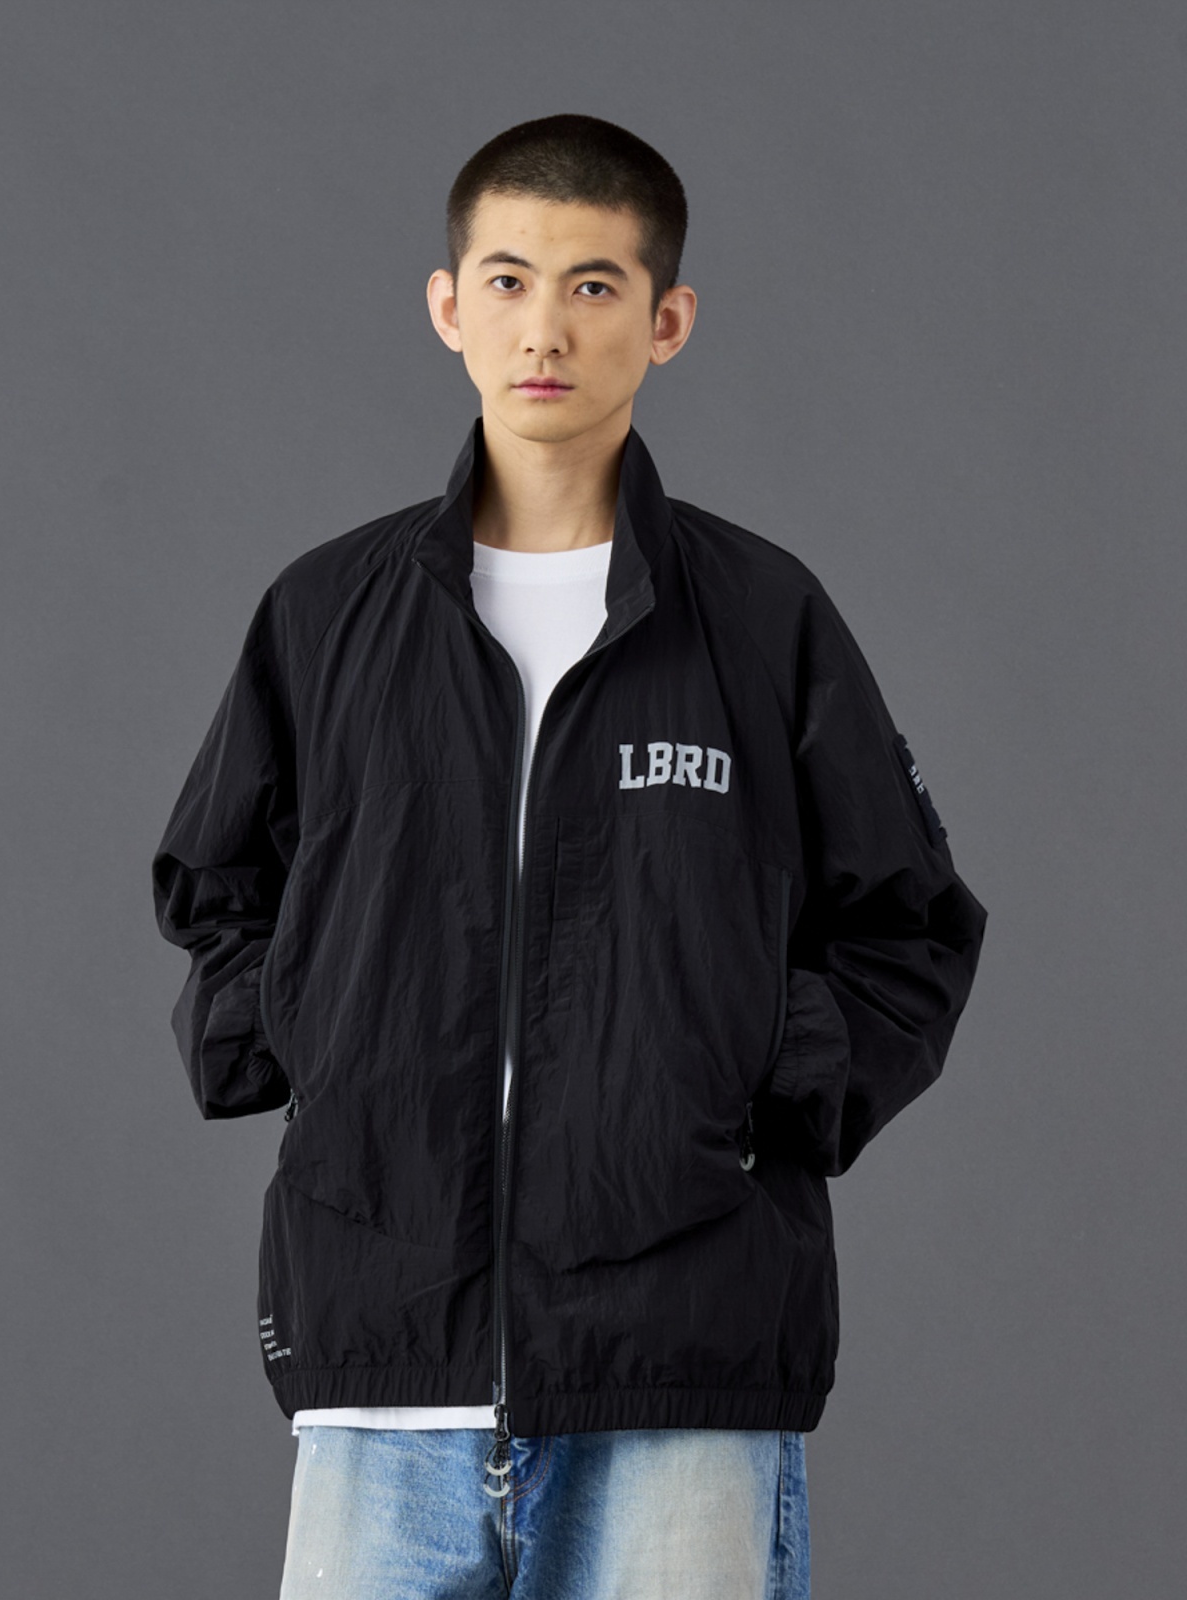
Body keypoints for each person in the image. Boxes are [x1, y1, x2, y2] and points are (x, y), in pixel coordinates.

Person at [150, 113, 988, 1599]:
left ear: (667, 320)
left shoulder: (763, 618)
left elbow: (909, 926)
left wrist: (753, 1078)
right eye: (510, 279)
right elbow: (219, 891)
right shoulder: (327, 616)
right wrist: (314, 1041)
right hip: (382, 1361)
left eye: (595, 285)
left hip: (682, 1362)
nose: (546, 327)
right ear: (446, 305)